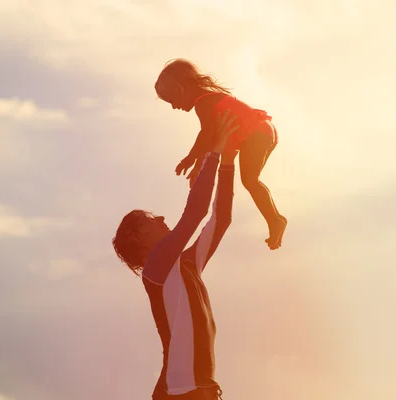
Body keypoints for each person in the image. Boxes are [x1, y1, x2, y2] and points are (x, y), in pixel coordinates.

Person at [111, 110, 239, 400]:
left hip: (200, 390)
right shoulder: (156, 266)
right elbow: (195, 213)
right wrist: (214, 154)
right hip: (180, 392)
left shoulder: (187, 266)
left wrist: (229, 162)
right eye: (151, 219)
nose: (161, 219)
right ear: (138, 237)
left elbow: (220, 220)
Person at [154, 58, 287, 250]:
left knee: (250, 180)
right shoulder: (209, 99)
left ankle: (275, 221)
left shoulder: (203, 102)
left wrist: (190, 158)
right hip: (263, 131)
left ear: (180, 88)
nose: (174, 107)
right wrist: (200, 166)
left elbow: (206, 134)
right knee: (250, 180)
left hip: (256, 133)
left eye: (172, 100)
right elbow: (212, 140)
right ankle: (275, 220)